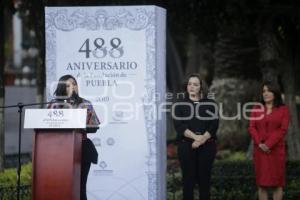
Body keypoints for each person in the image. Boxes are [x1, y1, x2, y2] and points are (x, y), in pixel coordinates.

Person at [49, 74, 100, 200]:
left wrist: (78, 123)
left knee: (80, 187)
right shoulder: (53, 104)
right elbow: (46, 124)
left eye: (74, 84)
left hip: (82, 148)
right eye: (68, 85)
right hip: (58, 150)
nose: (72, 87)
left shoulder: (85, 103)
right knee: (61, 187)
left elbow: (94, 126)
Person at [172, 73, 219, 200]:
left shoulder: (211, 104)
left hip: (207, 146)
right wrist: (196, 138)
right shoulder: (179, 104)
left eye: (195, 84)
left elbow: (213, 126)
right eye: (189, 84)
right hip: (186, 146)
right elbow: (179, 126)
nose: (192, 87)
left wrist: (201, 140)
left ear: (201, 87)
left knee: (205, 182)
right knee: (188, 181)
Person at [248, 81, 289, 200]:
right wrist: (260, 143)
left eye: (268, 91)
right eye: (264, 91)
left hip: (276, 151)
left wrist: (268, 144)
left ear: (275, 93)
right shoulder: (256, 108)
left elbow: (283, 129)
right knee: (262, 185)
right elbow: (251, 127)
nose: (265, 93)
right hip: (260, 151)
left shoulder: (283, 109)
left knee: (277, 185)